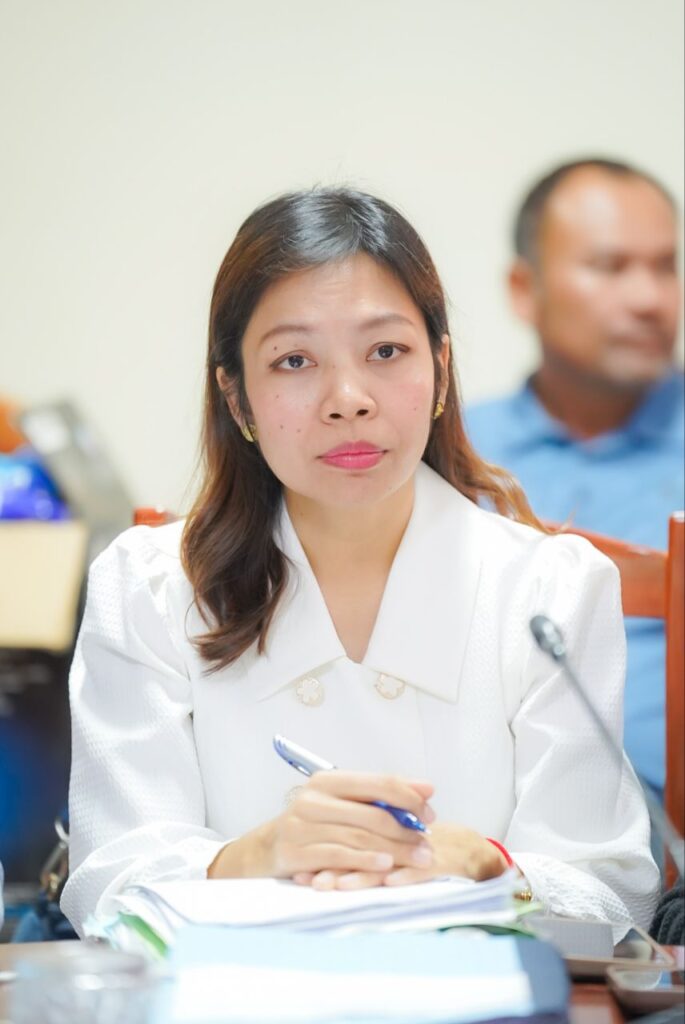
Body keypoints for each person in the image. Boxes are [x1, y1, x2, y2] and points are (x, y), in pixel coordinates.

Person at [61, 188, 658, 938]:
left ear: (440, 368)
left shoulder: (553, 590)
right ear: (237, 399)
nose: (348, 400)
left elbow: (613, 896)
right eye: (294, 360)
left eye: (385, 352)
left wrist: (483, 863)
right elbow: (108, 886)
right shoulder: (148, 585)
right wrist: (258, 854)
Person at [466, 158, 683, 799]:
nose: (649, 299)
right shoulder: (446, 453)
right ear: (523, 289)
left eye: (665, 266)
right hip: (479, 821)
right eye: (610, 267)